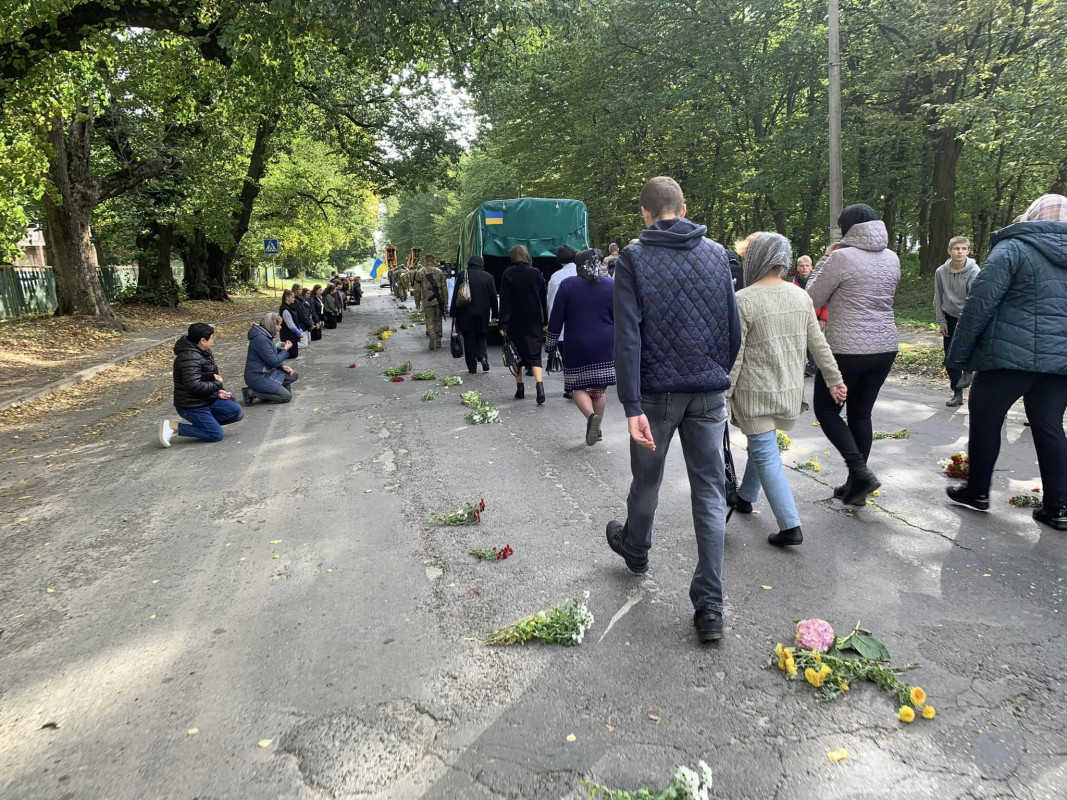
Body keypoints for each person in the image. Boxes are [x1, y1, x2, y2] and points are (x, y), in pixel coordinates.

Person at [605, 176, 741, 644]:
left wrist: (629, 404)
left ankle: (636, 548)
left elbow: (627, 337)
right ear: (683, 208)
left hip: (656, 394)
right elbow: (732, 327)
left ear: (645, 213)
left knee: (647, 478)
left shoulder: (633, 259)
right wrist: (713, 372)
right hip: (707, 392)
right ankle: (710, 605)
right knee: (709, 491)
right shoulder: (717, 254)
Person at [945, 194, 1067, 531]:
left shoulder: (1013, 247)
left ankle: (978, 491)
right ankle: (1059, 507)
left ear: (1033, 215)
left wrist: (959, 355)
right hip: (1059, 363)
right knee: (1050, 425)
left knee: (985, 420)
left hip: (1006, 357)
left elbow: (979, 303)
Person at [727, 233, 846, 546]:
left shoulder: (744, 300)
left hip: (755, 394)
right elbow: (817, 343)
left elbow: (736, 356)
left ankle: (790, 526)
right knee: (763, 446)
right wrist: (834, 379)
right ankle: (745, 496)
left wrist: (722, 396)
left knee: (766, 454)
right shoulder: (799, 296)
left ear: (754, 259)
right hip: (789, 392)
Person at [806, 203, 900, 506]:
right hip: (885, 347)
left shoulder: (841, 258)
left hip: (847, 348)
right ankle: (856, 487)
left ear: (846, 229)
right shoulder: (893, 257)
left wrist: (825, 257)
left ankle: (859, 471)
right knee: (860, 414)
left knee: (827, 410)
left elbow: (811, 296)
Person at [545, 248, 616, 445]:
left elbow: (556, 318)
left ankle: (591, 417)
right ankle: (598, 428)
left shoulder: (569, 285)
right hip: (605, 343)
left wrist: (550, 345)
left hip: (577, 344)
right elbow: (620, 317)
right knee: (599, 390)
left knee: (577, 386)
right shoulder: (611, 285)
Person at [159, 323, 243, 447]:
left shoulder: (204, 352)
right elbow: (194, 385)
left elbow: (209, 376)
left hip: (205, 399)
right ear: (203, 341)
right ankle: (173, 426)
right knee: (216, 435)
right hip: (191, 405)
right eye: (212, 338)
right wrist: (217, 384)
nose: (213, 341)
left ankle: (207, 425)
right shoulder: (189, 357)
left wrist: (218, 391)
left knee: (236, 411)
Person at [499, 244, 549, 403]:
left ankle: (520, 388)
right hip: (534, 319)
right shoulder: (536, 273)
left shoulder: (508, 274)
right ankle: (539, 386)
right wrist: (545, 321)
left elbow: (505, 302)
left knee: (515, 354)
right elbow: (543, 299)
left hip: (515, 320)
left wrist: (503, 324)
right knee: (535, 355)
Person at [934, 236, 980, 407]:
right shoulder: (941, 272)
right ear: (949, 250)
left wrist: (971, 323)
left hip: (967, 318)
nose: (960, 252)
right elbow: (938, 297)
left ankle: (969, 372)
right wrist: (941, 321)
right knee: (950, 358)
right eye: (956, 248)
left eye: (963, 248)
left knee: (968, 354)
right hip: (949, 318)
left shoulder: (974, 271)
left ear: (968, 251)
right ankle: (957, 393)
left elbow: (975, 300)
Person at [452, 256, 499, 374]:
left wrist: (453, 312)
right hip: (483, 313)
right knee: (481, 335)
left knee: (468, 339)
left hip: (465, 313)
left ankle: (472, 367)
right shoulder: (489, 277)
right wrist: (495, 314)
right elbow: (493, 297)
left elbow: (456, 295)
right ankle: (482, 357)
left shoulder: (463, 275)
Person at [242, 313, 298, 404]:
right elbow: (273, 361)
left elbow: (270, 358)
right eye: (278, 325)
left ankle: (269, 391)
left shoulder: (265, 336)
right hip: (258, 376)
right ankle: (251, 393)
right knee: (286, 397)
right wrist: (285, 349)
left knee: (293, 374)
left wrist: (282, 366)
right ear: (271, 325)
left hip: (268, 372)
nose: (280, 327)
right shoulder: (260, 339)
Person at [546, 245, 578, 393]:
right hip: (584, 323)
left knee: (568, 358)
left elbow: (552, 303)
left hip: (565, 326)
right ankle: (584, 385)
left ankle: (571, 388)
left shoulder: (556, 277)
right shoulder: (583, 272)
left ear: (559, 260)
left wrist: (550, 325)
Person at [793, 255, 827, 376]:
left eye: (807, 266)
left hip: (816, 316)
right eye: (802, 266)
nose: (804, 268)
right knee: (803, 340)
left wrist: (823, 319)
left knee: (816, 341)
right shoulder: (794, 283)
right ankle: (809, 365)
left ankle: (815, 365)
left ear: (811, 267)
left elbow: (826, 300)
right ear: (798, 268)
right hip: (802, 316)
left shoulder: (818, 281)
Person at [414, 253, 449, 350]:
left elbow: (416, 289)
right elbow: (444, 288)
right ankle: (438, 340)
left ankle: (432, 334)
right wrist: (446, 301)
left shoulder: (420, 272)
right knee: (438, 320)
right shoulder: (439, 272)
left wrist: (417, 302)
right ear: (434, 261)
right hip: (439, 300)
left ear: (425, 261)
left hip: (426, 301)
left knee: (429, 320)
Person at [279, 289, 304, 358]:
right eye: (292, 297)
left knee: (294, 353)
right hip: (288, 335)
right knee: (292, 354)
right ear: (287, 297)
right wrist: (298, 333)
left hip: (292, 336)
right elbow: (290, 325)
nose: (294, 299)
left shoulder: (290, 307)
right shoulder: (285, 309)